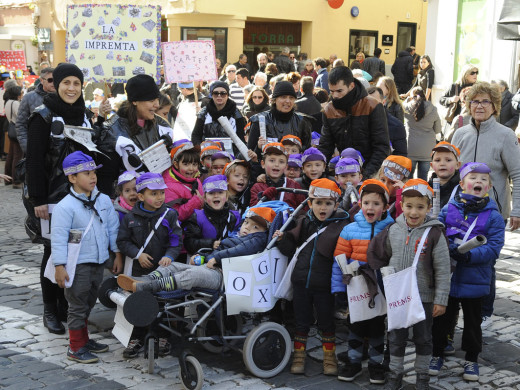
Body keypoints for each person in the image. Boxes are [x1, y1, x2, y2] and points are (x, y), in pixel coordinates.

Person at [26, 63, 112, 335]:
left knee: (77, 251)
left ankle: (66, 307)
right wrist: (38, 199)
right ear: (56, 85)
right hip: (52, 197)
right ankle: (50, 309)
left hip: (82, 196)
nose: (72, 88)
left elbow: (92, 154)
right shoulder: (42, 116)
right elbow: (34, 162)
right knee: (53, 252)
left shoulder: (85, 115)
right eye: (66, 83)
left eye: (77, 83)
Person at [367, 179, 451, 390]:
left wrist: (441, 299)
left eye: (420, 207)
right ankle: (395, 374)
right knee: (396, 337)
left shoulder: (434, 233)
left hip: (425, 296)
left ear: (429, 208)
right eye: (409, 206)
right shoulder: (393, 229)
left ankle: (422, 376)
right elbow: (382, 255)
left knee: (423, 338)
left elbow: (443, 268)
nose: (414, 212)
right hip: (398, 296)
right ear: (401, 205)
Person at [452, 82, 520, 327]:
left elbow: (517, 173)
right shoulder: (460, 133)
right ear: (468, 105)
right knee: (458, 258)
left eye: (485, 102)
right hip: (461, 211)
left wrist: (517, 210)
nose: (479, 106)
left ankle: (482, 312)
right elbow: (452, 172)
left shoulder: (505, 135)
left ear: (494, 106)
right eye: (475, 101)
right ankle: (455, 311)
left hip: (492, 213)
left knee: (485, 262)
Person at [430, 162, 505, 382]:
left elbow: (493, 248)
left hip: (475, 278)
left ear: (489, 187)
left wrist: (470, 255)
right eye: (473, 178)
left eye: (484, 180)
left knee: (473, 323)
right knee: (441, 320)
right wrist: (446, 248)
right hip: (449, 277)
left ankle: (472, 359)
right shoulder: (448, 209)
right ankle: (437, 353)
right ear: (462, 184)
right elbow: (437, 233)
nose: (478, 182)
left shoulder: (494, 217)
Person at [51, 151, 122, 363]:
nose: (93, 177)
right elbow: (58, 238)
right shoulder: (65, 207)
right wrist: (59, 266)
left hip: (98, 261)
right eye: (86, 173)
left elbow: (112, 227)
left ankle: (84, 339)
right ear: (72, 178)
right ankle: (75, 347)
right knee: (77, 304)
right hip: (77, 264)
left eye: (94, 173)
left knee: (90, 301)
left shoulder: (103, 200)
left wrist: (116, 254)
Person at [274, 178, 349, 376]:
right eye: (318, 202)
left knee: (326, 321)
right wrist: (281, 239)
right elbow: (290, 249)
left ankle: (329, 356)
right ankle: (299, 355)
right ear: (310, 203)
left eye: (328, 203)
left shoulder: (340, 226)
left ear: (336, 205)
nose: (322, 207)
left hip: (325, 284)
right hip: (301, 281)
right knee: (301, 320)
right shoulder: (303, 222)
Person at [117, 206, 274, 292]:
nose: (248, 228)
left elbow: (240, 251)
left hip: (225, 276)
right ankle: (144, 280)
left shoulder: (257, 239)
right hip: (211, 268)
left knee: (191, 275)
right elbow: (215, 253)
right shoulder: (235, 236)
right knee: (172, 266)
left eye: (255, 226)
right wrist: (202, 256)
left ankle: (149, 287)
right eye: (246, 223)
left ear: (263, 231)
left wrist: (217, 258)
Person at [332, 179, 394, 384]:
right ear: (360, 203)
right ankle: (354, 361)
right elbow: (339, 261)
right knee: (355, 325)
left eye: (376, 204)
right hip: (355, 286)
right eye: (367, 202)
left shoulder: (391, 229)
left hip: (379, 286)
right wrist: (339, 288)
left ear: (385, 207)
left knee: (377, 327)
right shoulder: (350, 229)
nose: (371, 207)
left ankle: (376, 364)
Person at [115, 172, 181, 358]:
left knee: (164, 304)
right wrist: (137, 255)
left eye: (161, 193)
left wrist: (169, 256)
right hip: (140, 269)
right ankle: (137, 338)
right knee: (139, 303)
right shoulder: (130, 217)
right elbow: (123, 241)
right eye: (154, 193)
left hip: (163, 270)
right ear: (141, 196)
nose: (159, 197)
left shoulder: (170, 215)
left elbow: (176, 240)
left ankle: (163, 337)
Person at [318, 66, 390, 179]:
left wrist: (366, 175)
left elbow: (381, 147)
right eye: (331, 91)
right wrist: (318, 168)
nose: (335, 95)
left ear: (351, 86)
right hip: (344, 172)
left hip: (370, 172)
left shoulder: (373, 106)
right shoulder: (329, 110)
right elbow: (325, 146)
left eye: (339, 91)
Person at [106, 74, 173, 174]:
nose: (157, 105)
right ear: (135, 101)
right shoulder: (112, 130)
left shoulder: (161, 124)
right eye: (151, 100)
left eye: (157, 99)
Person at [247, 81, 313, 155]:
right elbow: (249, 153)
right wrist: (259, 148)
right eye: (283, 97)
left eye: (291, 98)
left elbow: (307, 150)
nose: (288, 101)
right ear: (274, 100)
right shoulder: (259, 120)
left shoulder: (302, 121)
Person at [182, 174, 241, 255]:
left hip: (228, 260)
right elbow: (189, 243)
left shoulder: (235, 217)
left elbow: (241, 240)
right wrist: (211, 243)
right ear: (205, 198)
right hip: (204, 261)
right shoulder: (197, 217)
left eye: (220, 192)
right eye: (211, 193)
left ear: (227, 196)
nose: (216, 196)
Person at [191, 81, 247, 157]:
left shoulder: (236, 113)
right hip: (208, 154)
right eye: (216, 93)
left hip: (232, 155)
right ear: (212, 95)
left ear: (227, 95)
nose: (219, 96)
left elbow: (241, 137)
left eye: (223, 93)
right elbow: (196, 135)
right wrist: (201, 147)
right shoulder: (204, 113)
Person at [249, 142, 306, 209]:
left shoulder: (294, 186)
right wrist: (263, 198)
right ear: (263, 164)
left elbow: (303, 211)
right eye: (272, 160)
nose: (276, 164)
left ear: (286, 166)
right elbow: (252, 213)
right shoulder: (257, 187)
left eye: (281, 162)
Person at [403, 87, 442, 180]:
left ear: (412, 97)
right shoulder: (433, 109)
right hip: (427, 150)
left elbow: (402, 108)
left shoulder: (407, 107)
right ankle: (423, 194)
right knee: (423, 179)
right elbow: (437, 129)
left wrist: (406, 101)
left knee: (408, 179)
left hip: (410, 148)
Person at [15, 67, 55, 153]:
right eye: (50, 80)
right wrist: (27, 148)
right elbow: (21, 124)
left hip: (58, 150)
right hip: (36, 149)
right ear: (41, 80)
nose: (54, 83)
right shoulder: (28, 97)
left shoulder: (62, 97)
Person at [163, 140, 204, 223]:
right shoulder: (169, 187)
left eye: (194, 164)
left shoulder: (196, 179)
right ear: (176, 164)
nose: (191, 168)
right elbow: (175, 215)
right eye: (186, 164)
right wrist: (195, 202)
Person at [367, 86, 407, 157]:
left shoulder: (396, 126)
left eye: (374, 102)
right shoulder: (357, 123)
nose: (370, 105)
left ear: (383, 102)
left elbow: (401, 157)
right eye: (367, 102)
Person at [377, 155, 412, 220]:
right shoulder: (372, 191)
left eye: (392, 182)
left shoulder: (404, 199)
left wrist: (402, 193)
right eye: (383, 180)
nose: (385, 185)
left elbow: (403, 218)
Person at [428, 141, 461, 209]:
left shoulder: (463, 189)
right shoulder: (427, 188)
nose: (442, 163)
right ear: (431, 165)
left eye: (448, 160)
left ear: (457, 165)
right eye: (437, 160)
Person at [3, 86, 23, 188]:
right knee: (17, 155)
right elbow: (20, 116)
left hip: (11, 128)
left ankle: (8, 178)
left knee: (11, 155)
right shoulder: (15, 103)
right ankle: (16, 180)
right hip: (17, 130)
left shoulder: (8, 102)